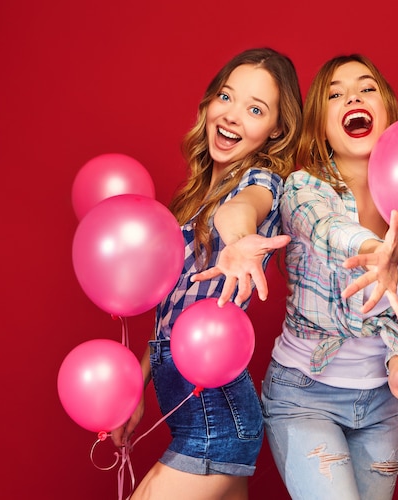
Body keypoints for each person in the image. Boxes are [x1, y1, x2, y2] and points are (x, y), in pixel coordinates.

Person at [111, 47, 303, 500]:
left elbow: (242, 210)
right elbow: (170, 313)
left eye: (255, 109)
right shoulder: (194, 198)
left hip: (215, 414)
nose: (233, 116)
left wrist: (238, 240)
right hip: (195, 405)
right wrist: (135, 387)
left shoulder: (262, 181)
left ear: (276, 129)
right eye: (226, 97)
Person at [260, 54, 398, 500]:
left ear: (388, 110)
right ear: (320, 124)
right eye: (335, 94)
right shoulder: (303, 189)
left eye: (366, 88)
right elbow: (327, 231)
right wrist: (375, 250)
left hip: (383, 403)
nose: (353, 98)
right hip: (303, 395)